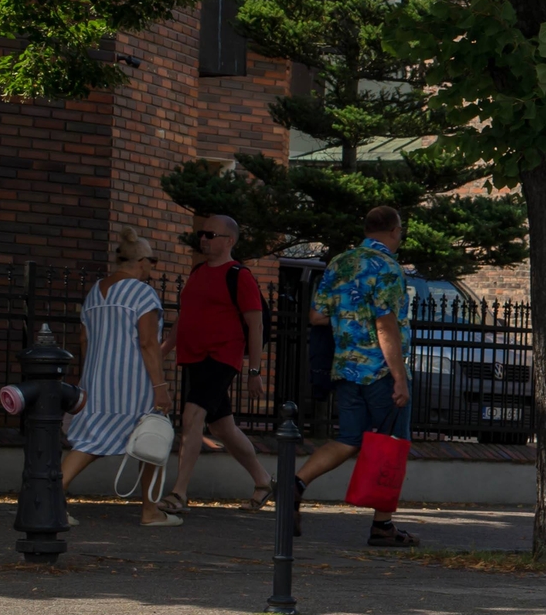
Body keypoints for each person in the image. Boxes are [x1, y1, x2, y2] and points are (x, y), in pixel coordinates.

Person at [296, 205, 417, 546]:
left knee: (348, 438)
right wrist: (399, 378)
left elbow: (317, 315)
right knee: (392, 445)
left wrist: (349, 316)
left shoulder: (340, 263)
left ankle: (295, 483)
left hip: (346, 368)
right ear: (395, 231)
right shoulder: (389, 268)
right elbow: (385, 324)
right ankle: (382, 526)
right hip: (379, 369)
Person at [61, 227, 179, 526]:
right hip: (134, 382)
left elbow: (84, 339)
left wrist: (90, 376)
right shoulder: (142, 292)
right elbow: (148, 343)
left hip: (98, 380)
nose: (153, 267)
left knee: (88, 440)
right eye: (152, 260)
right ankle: (150, 511)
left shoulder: (95, 292)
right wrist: (160, 387)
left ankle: (48, 498)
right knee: (151, 438)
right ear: (141, 261)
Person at [167, 213, 274, 514]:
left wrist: (255, 371)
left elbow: (256, 326)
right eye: (202, 234)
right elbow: (184, 318)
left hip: (221, 357)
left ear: (229, 240)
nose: (203, 239)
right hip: (194, 357)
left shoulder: (239, 275)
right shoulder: (197, 272)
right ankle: (264, 480)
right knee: (222, 428)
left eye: (211, 235)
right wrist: (162, 350)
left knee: (192, 416)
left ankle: (178, 493)